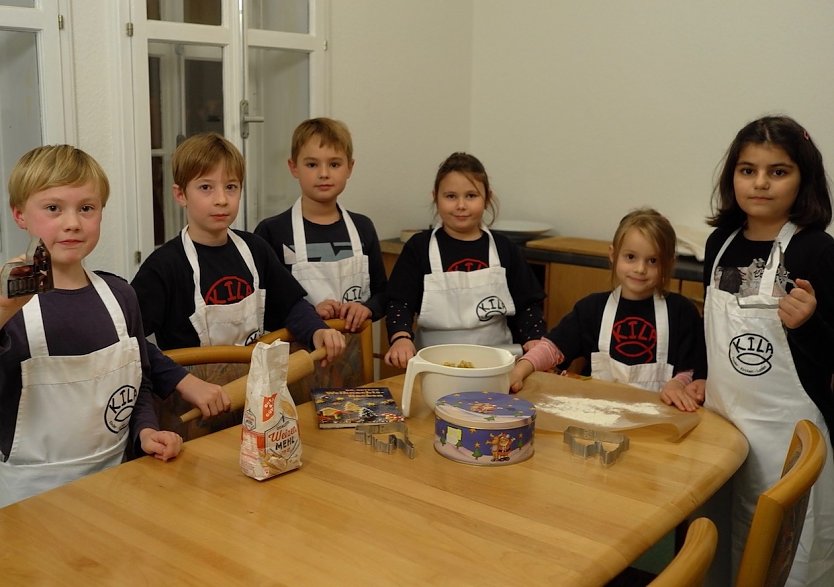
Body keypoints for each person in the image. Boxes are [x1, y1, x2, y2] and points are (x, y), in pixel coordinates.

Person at [0, 145, 182, 507]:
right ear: (20, 214)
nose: (72, 223)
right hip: (27, 499)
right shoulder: (8, 305)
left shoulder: (121, 296)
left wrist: (145, 431)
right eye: (53, 208)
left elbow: (138, 383)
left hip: (116, 483)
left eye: (86, 208)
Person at [697, 115, 834, 585]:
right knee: (717, 545)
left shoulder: (817, 251)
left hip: (787, 439)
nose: (760, 183)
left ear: (803, 179)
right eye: (747, 170)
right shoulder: (719, 244)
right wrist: (692, 376)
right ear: (731, 176)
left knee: (781, 559)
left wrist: (810, 325)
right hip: (720, 429)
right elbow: (710, 336)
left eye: (778, 171)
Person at [130, 133, 346, 428]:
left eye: (231, 187)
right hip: (194, 411)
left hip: (257, 402)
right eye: (206, 187)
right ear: (180, 194)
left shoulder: (255, 250)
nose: (221, 199)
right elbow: (130, 341)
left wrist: (317, 331)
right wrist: (182, 381)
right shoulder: (164, 266)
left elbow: (291, 306)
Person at [509, 208, 706, 411]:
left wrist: (678, 384)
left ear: (669, 263)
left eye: (653, 261)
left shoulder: (682, 312)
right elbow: (553, 348)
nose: (640, 269)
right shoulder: (592, 308)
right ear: (613, 255)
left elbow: (691, 369)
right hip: (597, 418)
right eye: (630, 257)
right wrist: (522, 368)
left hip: (659, 421)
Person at [254, 118, 386, 390]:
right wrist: (311, 315)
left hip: (354, 363)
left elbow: (383, 294)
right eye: (312, 164)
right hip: (294, 364)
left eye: (334, 164)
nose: (324, 174)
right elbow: (262, 309)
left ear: (350, 167)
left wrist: (367, 308)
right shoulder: (271, 232)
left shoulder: (362, 228)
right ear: (293, 167)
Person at [384, 152, 547, 368]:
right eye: (451, 196)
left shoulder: (504, 249)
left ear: (487, 197)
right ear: (436, 197)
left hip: (497, 361)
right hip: (433, 362)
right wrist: (401, 338)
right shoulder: (419, 247)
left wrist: (533, 339)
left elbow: (528, 306)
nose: (461, 205)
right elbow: (400, 303)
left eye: (471, 196)